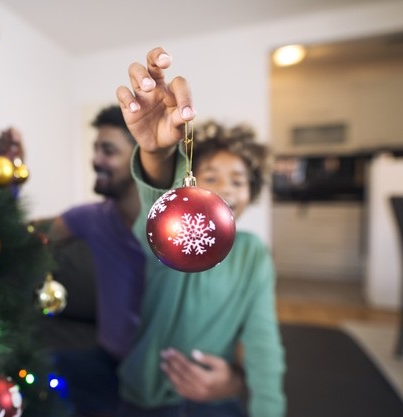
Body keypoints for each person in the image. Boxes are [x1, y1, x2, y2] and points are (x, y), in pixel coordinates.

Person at [0, 106, 246, 417]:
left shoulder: (187, 229)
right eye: (96, 149)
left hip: (174, 373)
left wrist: (235, 378)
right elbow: (23, 238)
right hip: (109, 362)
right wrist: (8, 178)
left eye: (108, 150)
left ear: (138, 159)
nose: (95, 159)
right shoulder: (89, 218)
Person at [114, 47, 286, 417]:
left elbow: (262, 339)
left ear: (251, 192)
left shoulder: (253, 254)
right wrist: (157, 155)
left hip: (216, 397)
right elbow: (155, 215)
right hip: (144, 394)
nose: (224, 189)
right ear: (188, 186)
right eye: (210, 178)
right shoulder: (169, 238)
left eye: (237, 180)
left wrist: (240, 385)